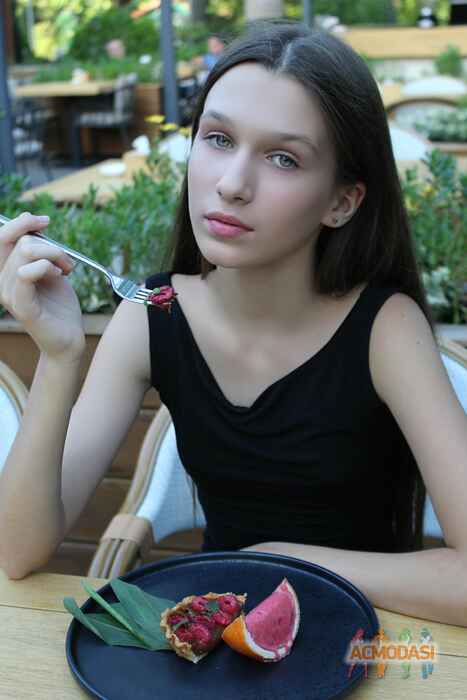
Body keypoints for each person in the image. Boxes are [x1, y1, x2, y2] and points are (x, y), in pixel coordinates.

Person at [0, 20, 466, 627]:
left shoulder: (384, 328)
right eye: (218, 139)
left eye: (283, 158)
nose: (232, 184)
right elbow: (17, 551)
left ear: (342, 202)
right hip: (215, 644)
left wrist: (287, 560)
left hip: (366, 641)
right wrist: (59, 355)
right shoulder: (152, 313)